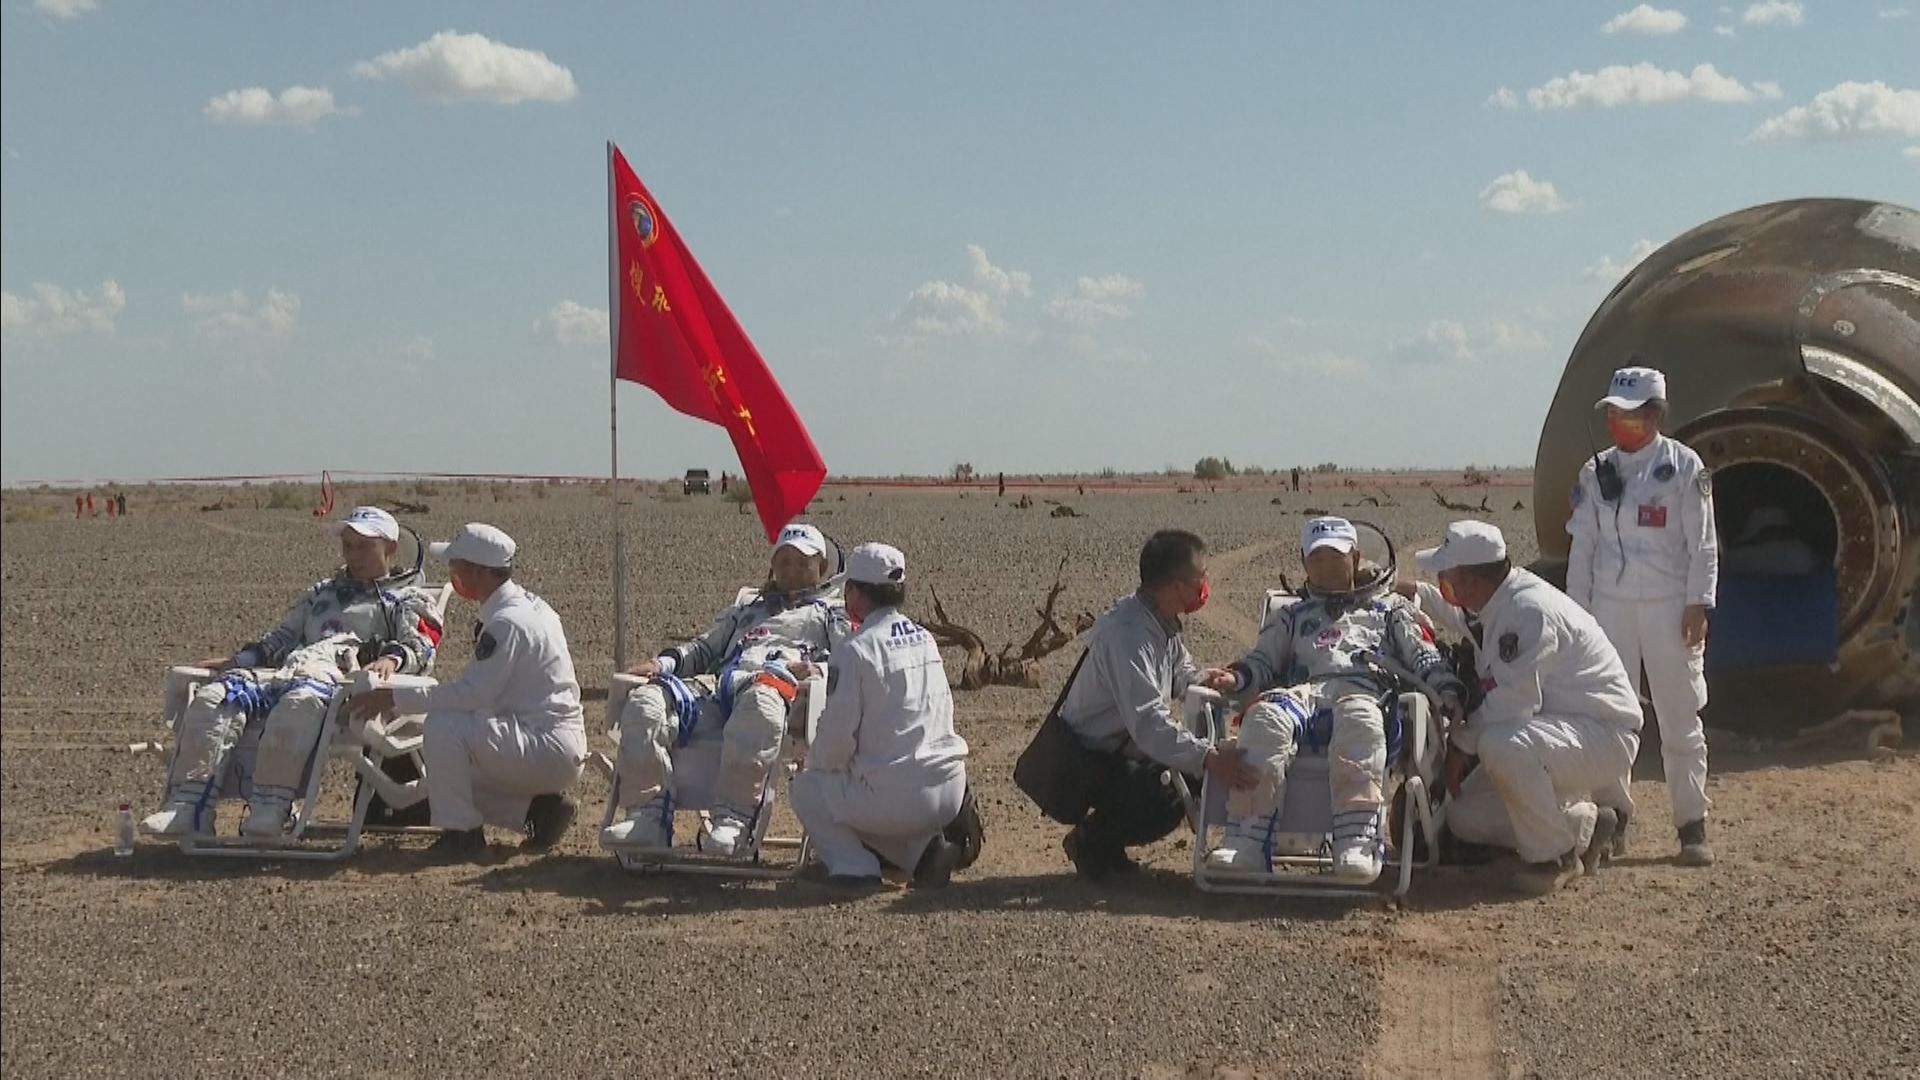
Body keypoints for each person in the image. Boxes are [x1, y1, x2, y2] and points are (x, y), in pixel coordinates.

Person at [143, 507, 444, 837]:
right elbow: (283, 638)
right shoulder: (322, 593)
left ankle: (271, 809)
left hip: (343, 685)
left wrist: (391, 661)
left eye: (364, 546)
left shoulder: (405, 598)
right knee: (218, 694)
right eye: (348, 546)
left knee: (299, 702)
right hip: (293, 670)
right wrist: (239, 660)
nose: (353, 555)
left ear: (390, 548)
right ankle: (189, 807)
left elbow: (421, 644)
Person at [1199, 517, 1466, 882]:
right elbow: (1262, 660)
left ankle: (1356, 841)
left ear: (1355, 559)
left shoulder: (1389, 609)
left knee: (1359, 719)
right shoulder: (1292, 615)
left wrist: (1446, 689)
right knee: (1263, 718)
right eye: (1317, 560)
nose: (1325, 569)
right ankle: (1245, 839)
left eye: (1334, 559)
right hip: (1305, 693)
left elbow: (1423, 655)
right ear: (1304, 562)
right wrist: (1236, 677)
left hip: (1366, 691)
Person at [1408, 521, 1641, 895]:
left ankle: (1554, 859)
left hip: (1604, 736)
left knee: (1500, 744)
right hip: (1560, 733)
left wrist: (1458, 746)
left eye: (1447, 578)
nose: (1444, 586)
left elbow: (1511, 706)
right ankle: (1584, 824)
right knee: (1464, 816)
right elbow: (1458, 617)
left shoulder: (1528, 612)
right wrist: (1405, 592)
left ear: (1469, 581)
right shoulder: (1498, 598)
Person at [601, 522, 851, 855]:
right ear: (773, 566)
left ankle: (733, 820)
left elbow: (848, 660)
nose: (792, 571)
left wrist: (817, 669)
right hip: (722, 687)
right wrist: (661, 665)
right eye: (784, 562)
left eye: (802, 562)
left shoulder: (830, 613)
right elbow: (703, 648)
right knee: (647, 701)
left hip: (781, 691)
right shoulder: (746, 610)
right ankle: (648, 815)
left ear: (821, 567)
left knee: (760, 701)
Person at [350, 523, 586, 858]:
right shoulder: (531, 605)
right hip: (551, 742)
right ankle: (540, 812)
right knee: (450, 778)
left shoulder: (507, 623)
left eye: (457, 565)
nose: (452, 573)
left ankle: (462, 837)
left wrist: (394, 698)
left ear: (478, 571)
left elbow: (472, 694)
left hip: (544, 745)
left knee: (444, 728)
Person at [1567, 365, 1718, 866]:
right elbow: (1582, 548)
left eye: (1630, 413)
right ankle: (1613, 817)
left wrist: (1699, 602)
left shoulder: (1683, 467)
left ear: (1655, 414)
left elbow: (1703, 546)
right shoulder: (1594, 473)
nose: (1620, 421)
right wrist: (1577, 616)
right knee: (1610, 714)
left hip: (1670, 607)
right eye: (1614, 412)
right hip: (1609, 609)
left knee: (1679, 715)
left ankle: (1691, 823)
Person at [1053, 530, 1256, 880]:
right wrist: (1208, 758)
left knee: (1189, 775)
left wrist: (1209, 681)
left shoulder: (1158, 620)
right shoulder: (1129, 634)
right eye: (1200, 578)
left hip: (1123, 749)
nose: (1205, 586)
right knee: (1169, 796)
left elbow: (1180, 672)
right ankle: (1093, 841)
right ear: (1176, 586)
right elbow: (1148, 723)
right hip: (1088, 762)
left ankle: (1105, 840)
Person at [789, 543, 972, 889]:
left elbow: (836, 740)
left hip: (901, 798)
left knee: (807, 788)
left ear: (856, 593)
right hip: (949, 789)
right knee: (873, 788)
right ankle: (923, 853)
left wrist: (813, 763)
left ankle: (853, 869)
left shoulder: (856, 649)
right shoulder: (925, 638)